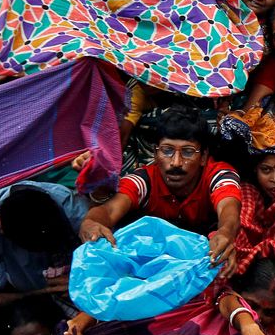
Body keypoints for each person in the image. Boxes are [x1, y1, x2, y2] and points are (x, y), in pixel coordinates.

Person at [77, 107, 242, 274]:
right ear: (156, 154)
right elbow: (110, 209)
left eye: (188, 152)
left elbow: (229, 208)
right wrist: (91, 222)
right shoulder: (144, 180)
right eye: (167, 151)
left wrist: (226, 232)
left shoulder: (219, 175)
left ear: (204, 157)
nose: (176, 162)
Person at [0, 182, 87, 318]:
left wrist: (83, 280)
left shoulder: (67, 203)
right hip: (37, 301)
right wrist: (47, 291)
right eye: (34, 248)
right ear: (0, 226)